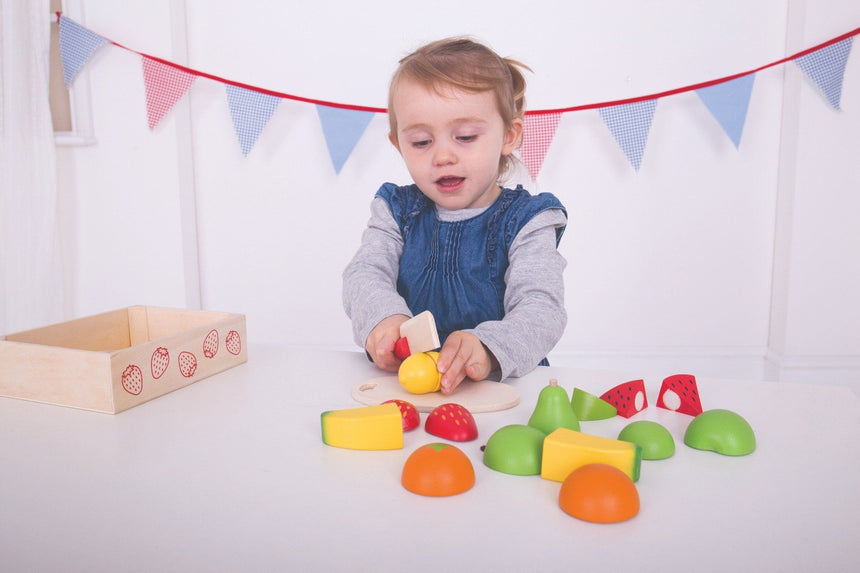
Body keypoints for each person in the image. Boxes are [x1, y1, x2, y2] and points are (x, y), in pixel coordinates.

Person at [343, 37, 567, 395]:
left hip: (504, 391)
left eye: (465, 136)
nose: (443, 156)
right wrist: (383, 317)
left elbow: (541, 309)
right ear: (398, 145)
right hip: (408, 388)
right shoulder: (396, 211)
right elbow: (365, 272)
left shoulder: (528, 220)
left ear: (509, 136)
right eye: (421, 142)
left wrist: (489, 347)